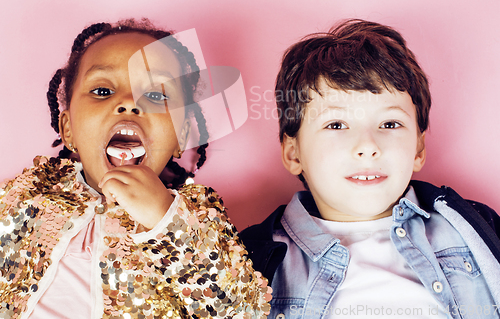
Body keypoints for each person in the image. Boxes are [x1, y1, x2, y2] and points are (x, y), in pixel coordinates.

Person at [0, 19, 271, 319]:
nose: (129, 104)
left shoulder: (197, 216)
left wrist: (165, 219)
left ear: (181, 137)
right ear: (68, 130)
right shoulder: (30, 192)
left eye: (156, 95)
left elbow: (241, 309)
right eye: (102, 91)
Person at [240, 19, 500, 319]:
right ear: (292, 153)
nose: (367, 145)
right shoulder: (254, 259)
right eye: (336, 124)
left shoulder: (474, 228)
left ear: (418, 148)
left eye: (390, 124)